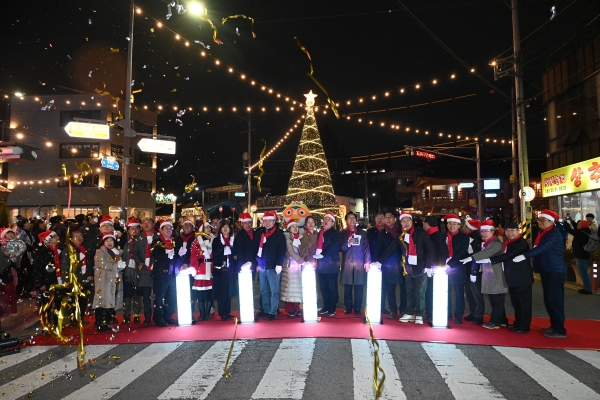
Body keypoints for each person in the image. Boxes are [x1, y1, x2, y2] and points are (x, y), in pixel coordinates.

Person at [512, 210, 567, 338]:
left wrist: (524, 256)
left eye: (544, 220)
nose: (540, 222)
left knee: (555, 301)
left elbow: (542, 248)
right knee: (548, 300)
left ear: (551, 222)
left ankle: (560, 330)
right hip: (547, 270)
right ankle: (554, 325)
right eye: (539, 220)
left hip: (555, 271)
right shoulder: (542, 233)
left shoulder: (553, 234)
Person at [483, 222, 532, 333]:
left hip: (522, 278)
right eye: (507, 231)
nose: (509, 233)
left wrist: (490, 260)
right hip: (512, 277)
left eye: (512, 231)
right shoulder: (507, 242)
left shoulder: (521, 243)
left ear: (518, 231)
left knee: (524, 304)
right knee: (516, 302)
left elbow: (509, 255)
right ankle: (518, 323)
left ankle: (524, 327)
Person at [461, 220, 508, 329]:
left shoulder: (496, 243)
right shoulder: (486, 243)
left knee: (497, 299)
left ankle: (495, 321)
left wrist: (471, 258)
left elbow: (487, 253)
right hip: (489, 275)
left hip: (496, 275)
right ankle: (502, 320)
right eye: (482, 231)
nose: (484, 234)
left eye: (486, 231)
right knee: (495, 298)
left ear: (492, 232)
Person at [397, 212, 428, 324]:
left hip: (421, 267)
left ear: (412, 221)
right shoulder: (401, 235)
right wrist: (379, 261)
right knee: (409, 290)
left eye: (407, 220)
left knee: (420, 292)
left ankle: (419, 314)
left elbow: (429, 248)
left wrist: (428, 265)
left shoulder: (420, 233)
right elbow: (393, 247)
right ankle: (409, 313)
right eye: (403, 221)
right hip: (408, 267)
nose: (406, 223)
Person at [256, 211, 286, 320]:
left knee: (274, 291)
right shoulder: (260, 233)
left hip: (273, 266)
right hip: (262, 266)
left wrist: (279, 263)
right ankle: (266, 309)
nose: (267, 223)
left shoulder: (279, 234)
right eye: (265, 220)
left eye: (270, 220)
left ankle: (273, 311)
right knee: (263, 290)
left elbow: (282, 250)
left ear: (274, 221)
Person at [92, 232, 124, 331]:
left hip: (112, 280)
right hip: (103, 280)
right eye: (107, 240)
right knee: (102, 301)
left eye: (111, 240)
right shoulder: (100, 251)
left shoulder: (115, 252)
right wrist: (117, 266)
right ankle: (100, 322)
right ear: (103, 242)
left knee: (109, 301)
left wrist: (120, 266)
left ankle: (107, 320)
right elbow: (103, 264)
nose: (109, 242)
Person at [340, 212, 370, 316]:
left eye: (353, 218)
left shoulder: (362, 233)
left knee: (359, 286)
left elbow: (366, 248)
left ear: (356, 220)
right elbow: (340, 248)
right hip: (347, 262)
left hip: (359, 262)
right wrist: (347, 244)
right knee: (347, 286)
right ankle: (348, 307)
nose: (352, 220)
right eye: (349, 218)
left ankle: (357, 307)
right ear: (346, 220)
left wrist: (367, 261)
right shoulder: (343, 233)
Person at [376, 211, 405, 319]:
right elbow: (379, 249)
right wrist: (378, 261)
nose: (387, 219)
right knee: (390, 289)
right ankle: (393, 309)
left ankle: (403, 309)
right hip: (388, 264)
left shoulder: (401, 231)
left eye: (390, 217)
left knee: (404, 288)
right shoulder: (382, 233)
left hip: (402, 262)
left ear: (395, 219)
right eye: (386, 217)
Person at [60, 230, 92, 326]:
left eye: (80, 236)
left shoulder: (85, 248)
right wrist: (66, 280)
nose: (79, 238)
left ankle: (81, 318)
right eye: (76, 236)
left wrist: (89, 274)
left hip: (84, 278)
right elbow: (64, 266)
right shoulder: (68, 250)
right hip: (74, 279)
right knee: (74, 301)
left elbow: (89, 263)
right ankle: (74, 319)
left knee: (83, 300)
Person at [150, 221, 179, 327]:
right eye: (166, 228)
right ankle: (158, 317)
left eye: (170, 228)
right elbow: (156, 255)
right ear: (160, 230)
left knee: (171, 296)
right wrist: (167, 254)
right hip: (160, 274)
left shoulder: (174, 242)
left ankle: (168, 315)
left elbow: (177, 257)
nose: (168, 230)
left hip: (172, 273)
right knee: (159, 296)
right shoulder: (156, 242)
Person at [444, 214, 470, 324]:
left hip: (458, 267)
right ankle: (447, 314)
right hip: (445, 267)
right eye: (450, 223)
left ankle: (458, 316)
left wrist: (449, 264)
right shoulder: (444, 236)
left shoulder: (464, 238)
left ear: (459, 225)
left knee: (459, 293)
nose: (452, 226)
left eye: (455, 224)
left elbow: (461, 253)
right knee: (446, 292)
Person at [314, 212, 341, 317]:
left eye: (328, 219)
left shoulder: (335, 233)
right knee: (323, 287)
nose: (325, 221)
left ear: (333, 223)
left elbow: (334, 245)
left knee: (332, 287)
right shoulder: (321, 233)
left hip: (331, 264)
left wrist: (323, 254)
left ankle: (332, 307)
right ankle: (326, 305)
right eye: (325, 219)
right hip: (321, 265)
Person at [422, 216, 448, 321]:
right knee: (429, 290)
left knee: (431, 291)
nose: (423, 225)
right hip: (432, 267)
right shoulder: (433, 235)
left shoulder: (435, 236)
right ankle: (429, 311)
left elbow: (443, 253)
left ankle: (431, 312)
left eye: (424, 223)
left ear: (427, 224)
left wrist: (438, 266)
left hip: (436, 269)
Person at [121, 218, 146, 324]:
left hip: (138, 270)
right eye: (132, 228)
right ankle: (126, 315)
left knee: (138, 294)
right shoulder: (123, 239)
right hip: (126, 271)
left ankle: (137, 314)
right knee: (126, 294)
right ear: (128, 229)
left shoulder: (142, 240)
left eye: (136, 228)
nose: (134, 230)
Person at [212, 220, 236, 321]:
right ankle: (222, 313)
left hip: (230, 268)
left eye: (227, 226)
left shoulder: (233, 240)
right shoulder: (217, 240)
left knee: (229, 291)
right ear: (220, 229)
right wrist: (223, 245)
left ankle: (227, 311)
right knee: (221, 292)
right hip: (220, 269)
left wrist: (231, 246)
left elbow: (235, 254)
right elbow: (216, 253)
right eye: (223, 227)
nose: (225, 228)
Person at [189, 228, 213, 321]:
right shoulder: (196, 241)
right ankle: (202, 313)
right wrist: (194, 268)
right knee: (200, 293)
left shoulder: (213, 239)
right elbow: (193, 256)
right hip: (200, 269)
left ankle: (207, 313)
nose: (207, 230)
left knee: (209, 293)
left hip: (210, 269)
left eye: (208, 228)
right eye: (205, 228)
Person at [564, 218, 593, 295]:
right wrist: (571, 220)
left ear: (582, 226)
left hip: (581, 256)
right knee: (583, 272)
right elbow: (576, 227)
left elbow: (569, 229)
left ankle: (587, 289)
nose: (578, 225)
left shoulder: (581, 233)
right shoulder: (585, 231)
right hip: (584, 255)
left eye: (579, 224)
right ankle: (586, 288)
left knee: (583, 273)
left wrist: (565, 221)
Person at [281, 220, 304, 317]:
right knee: (289, 287)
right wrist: (301, 261)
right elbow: (290, 251)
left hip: (298, 266)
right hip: (290, 266)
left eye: (296, 226)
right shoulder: (287, 238)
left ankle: (297, 307)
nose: (295, 228)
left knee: (297, 287)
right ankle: (289, 308)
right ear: (289, 229)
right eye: (292, 226)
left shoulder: (299, 237)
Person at [462, 218, 482, 323]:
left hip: (472, 270)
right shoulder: (469, 237)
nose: (463, 228)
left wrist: (474, 271)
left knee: (476, 293)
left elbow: (476, 256)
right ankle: (473, 312)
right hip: (468, 269)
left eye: (465, 226)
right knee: (470, 292)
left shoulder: (475, 239)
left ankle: (478, 315)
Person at [139, 217, 158, 324]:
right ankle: (147, 317)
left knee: (156, 295)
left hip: (156, 269)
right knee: (146, 296)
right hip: (144, 270)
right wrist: (139, 262)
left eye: (148, 223)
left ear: (153, 224)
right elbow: (135, 253)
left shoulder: (158, 236)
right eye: (144, 223)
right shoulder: (139, 237)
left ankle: (156, 315)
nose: (146, 225)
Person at [367, 212, 387, 314]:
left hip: (385, 263)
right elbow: (367, 247)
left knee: (383, 286)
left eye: (381, 218)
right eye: (377, 218)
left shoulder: (387, 231)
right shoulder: (370, 231)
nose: (379, 220)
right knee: (373, 286)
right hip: (373, 263)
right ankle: (372, 306)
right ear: (375, 220)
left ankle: (382, 306)